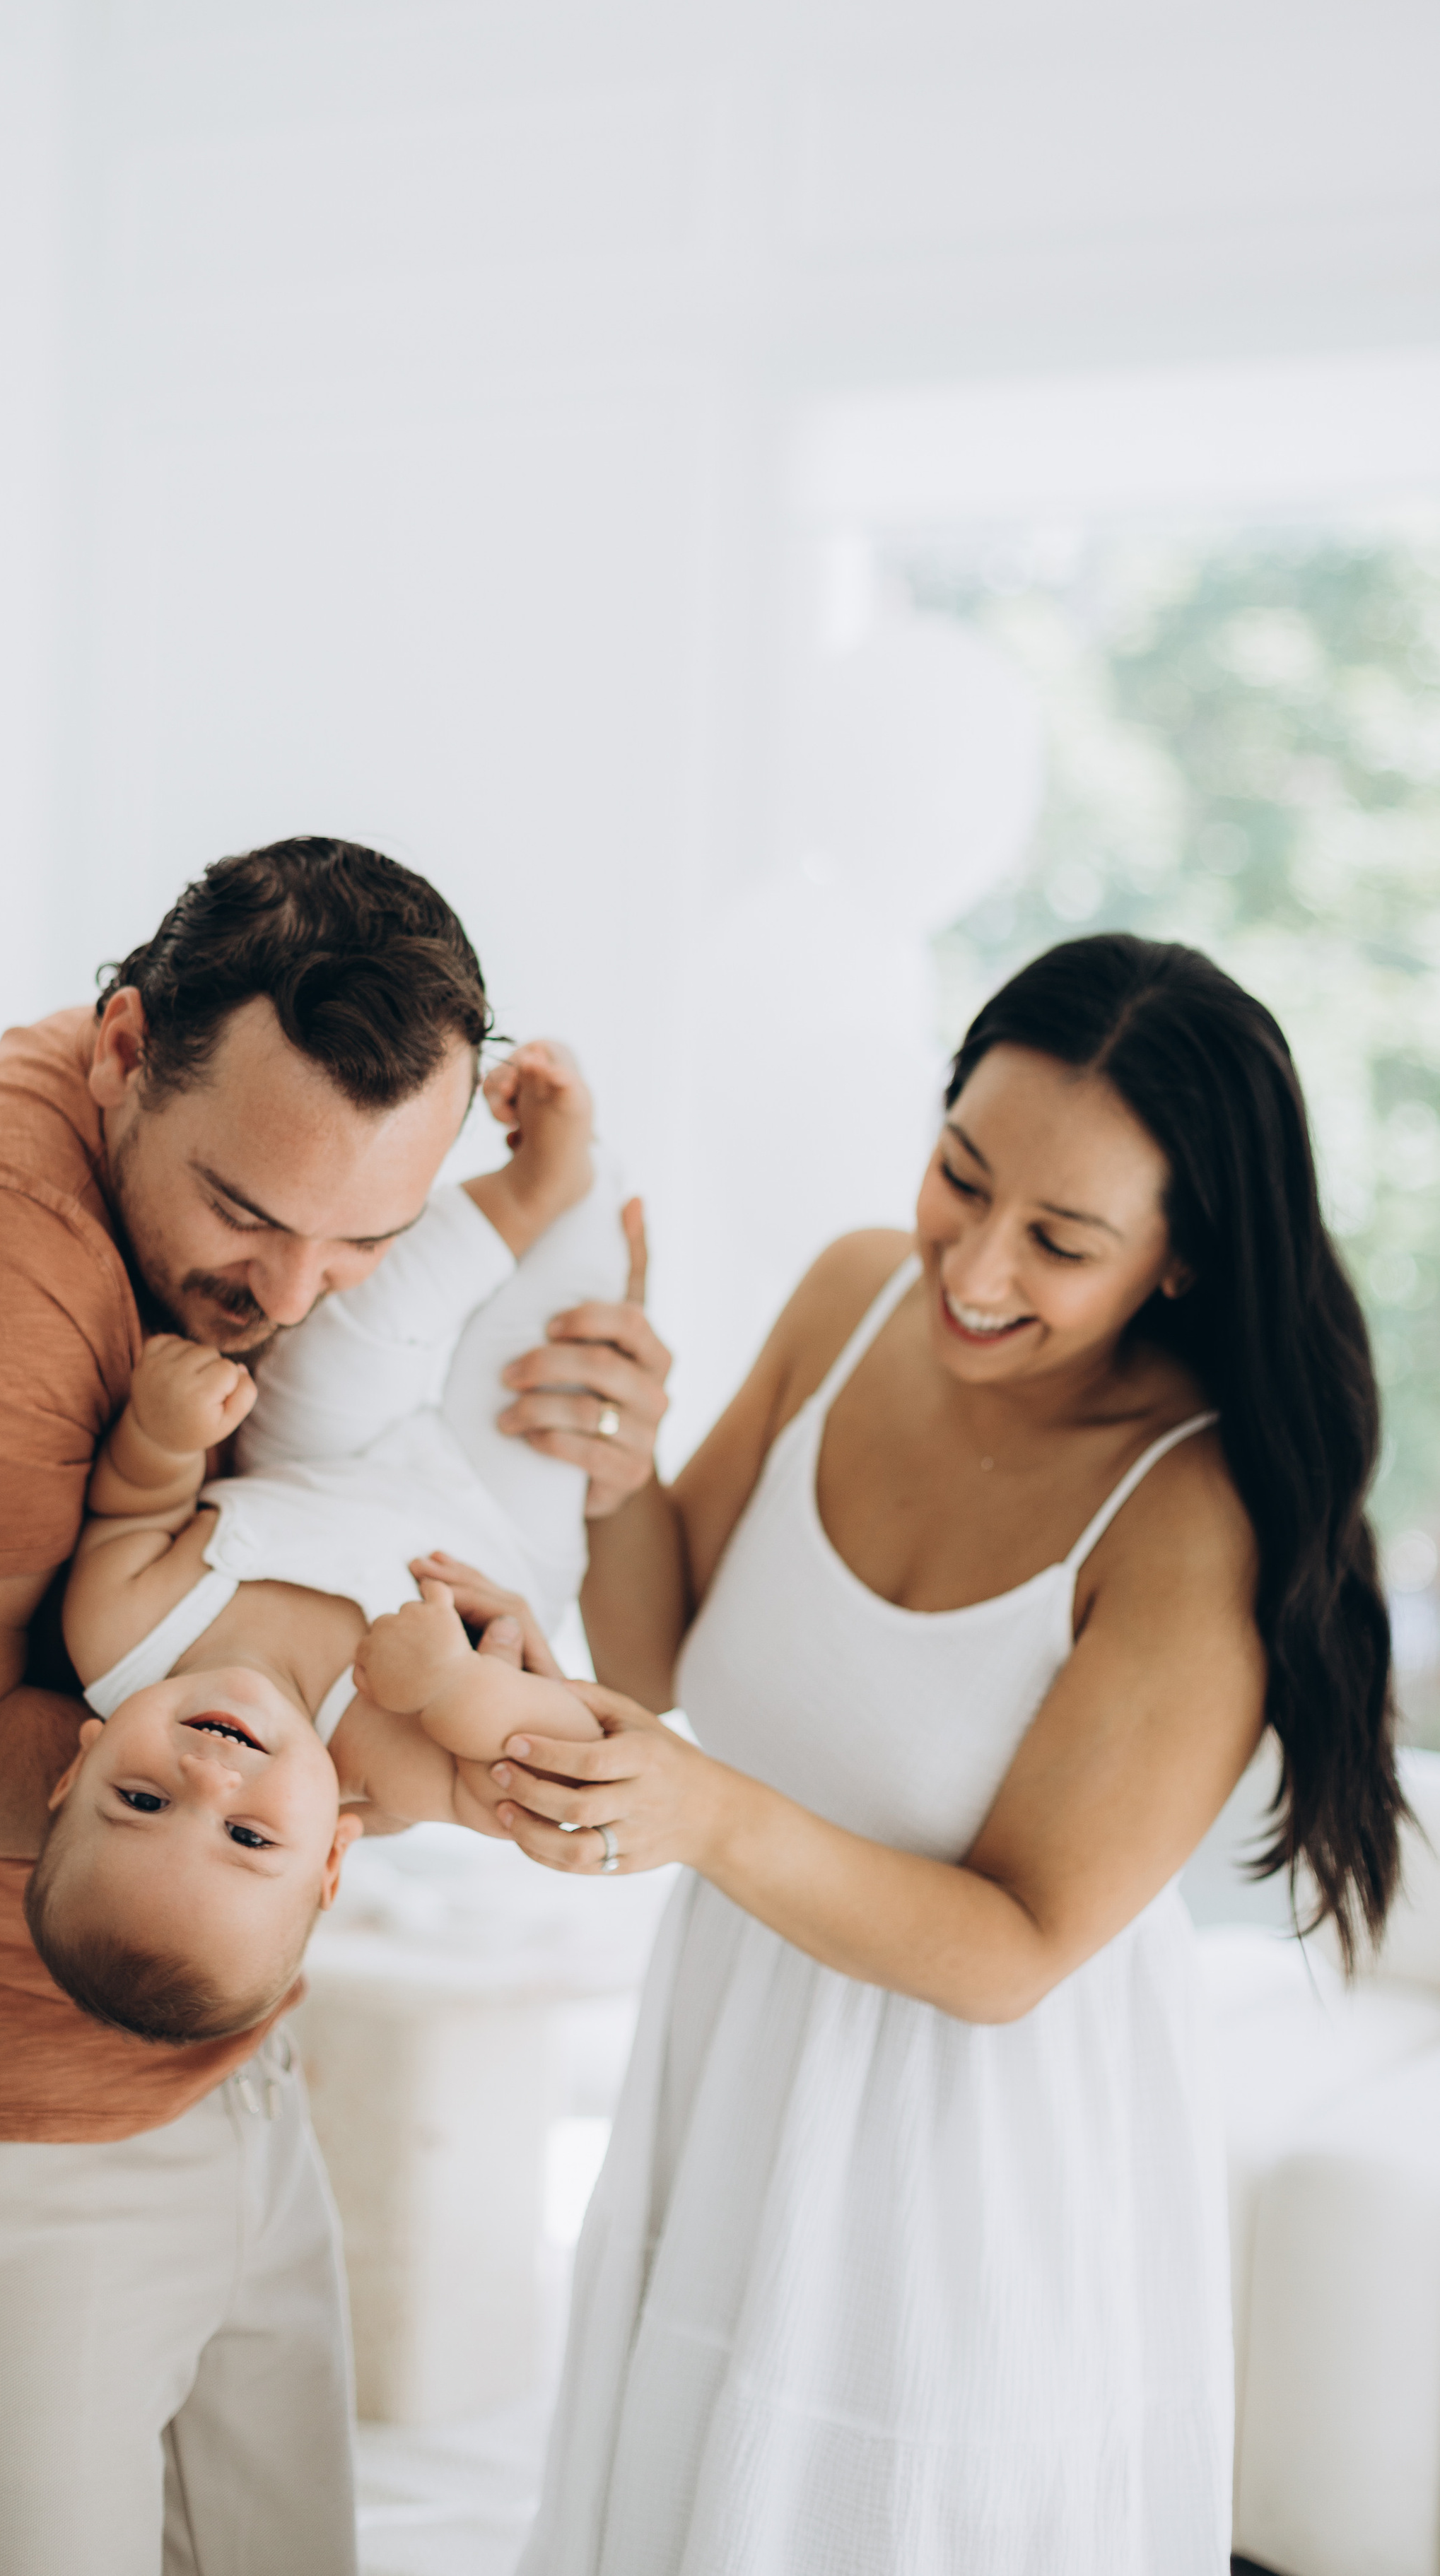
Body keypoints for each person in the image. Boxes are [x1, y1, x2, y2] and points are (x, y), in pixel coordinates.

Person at [0, 837, 668, 2576]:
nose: (293, 1292)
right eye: (243, 1214)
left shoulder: (262, 1217)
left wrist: (575, 1407)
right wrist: (351, 1770)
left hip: (220, 2058)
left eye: (363, 1234)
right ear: (121, 1046)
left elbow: (368, 1429)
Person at [474, 934, 1403, 2576]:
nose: (970, 1264)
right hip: (737, 2060)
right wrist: (614, 1467)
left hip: (971, 2155)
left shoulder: (1192, 1519)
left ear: (1176, 1260)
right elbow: (654, 1652)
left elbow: (1011, 1950)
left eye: (1059, 1240)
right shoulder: (848, 1297)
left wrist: (701, 1815)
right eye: (956, 1177)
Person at [27, 1039, 624, 2038]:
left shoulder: (124, 1634)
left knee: (347, 1335)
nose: (209, 1782)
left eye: (138, 1800)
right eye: (250, 1836)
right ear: (333, 1857)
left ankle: (529, 1186)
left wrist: (163, 1437)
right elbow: (556, 1767)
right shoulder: (383, 1764)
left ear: (73, 1770)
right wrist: (453, 1688)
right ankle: (585, 1193)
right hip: (495, 1526)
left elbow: (133, 1510)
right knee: (560, 1338)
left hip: (324, 1458)